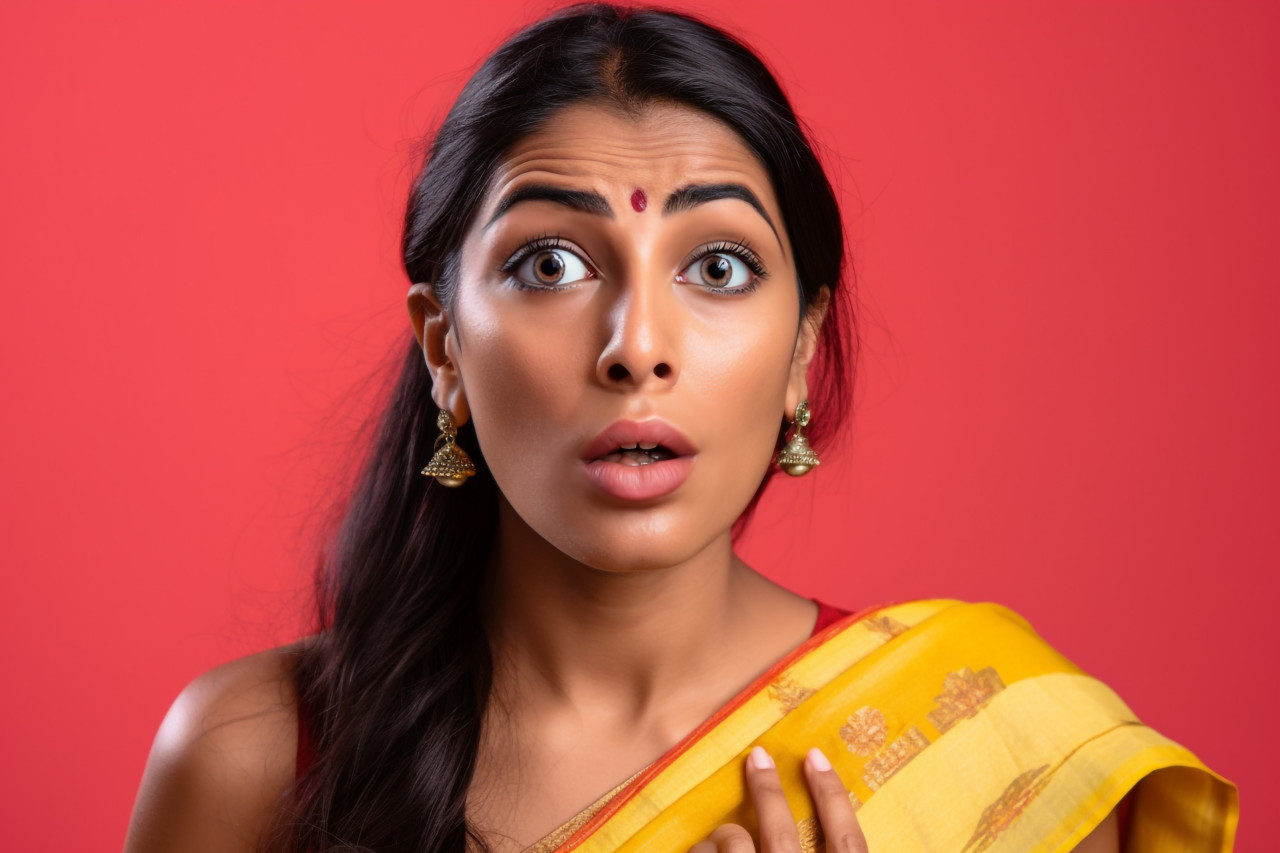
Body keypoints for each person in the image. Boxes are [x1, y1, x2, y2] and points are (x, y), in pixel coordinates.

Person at [123, 4, 1238, 852]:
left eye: (717, 267)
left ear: (800, 347)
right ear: (444, 348)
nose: (637, 346)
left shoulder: (1004, 752)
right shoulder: (254, 761)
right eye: (549, 264)